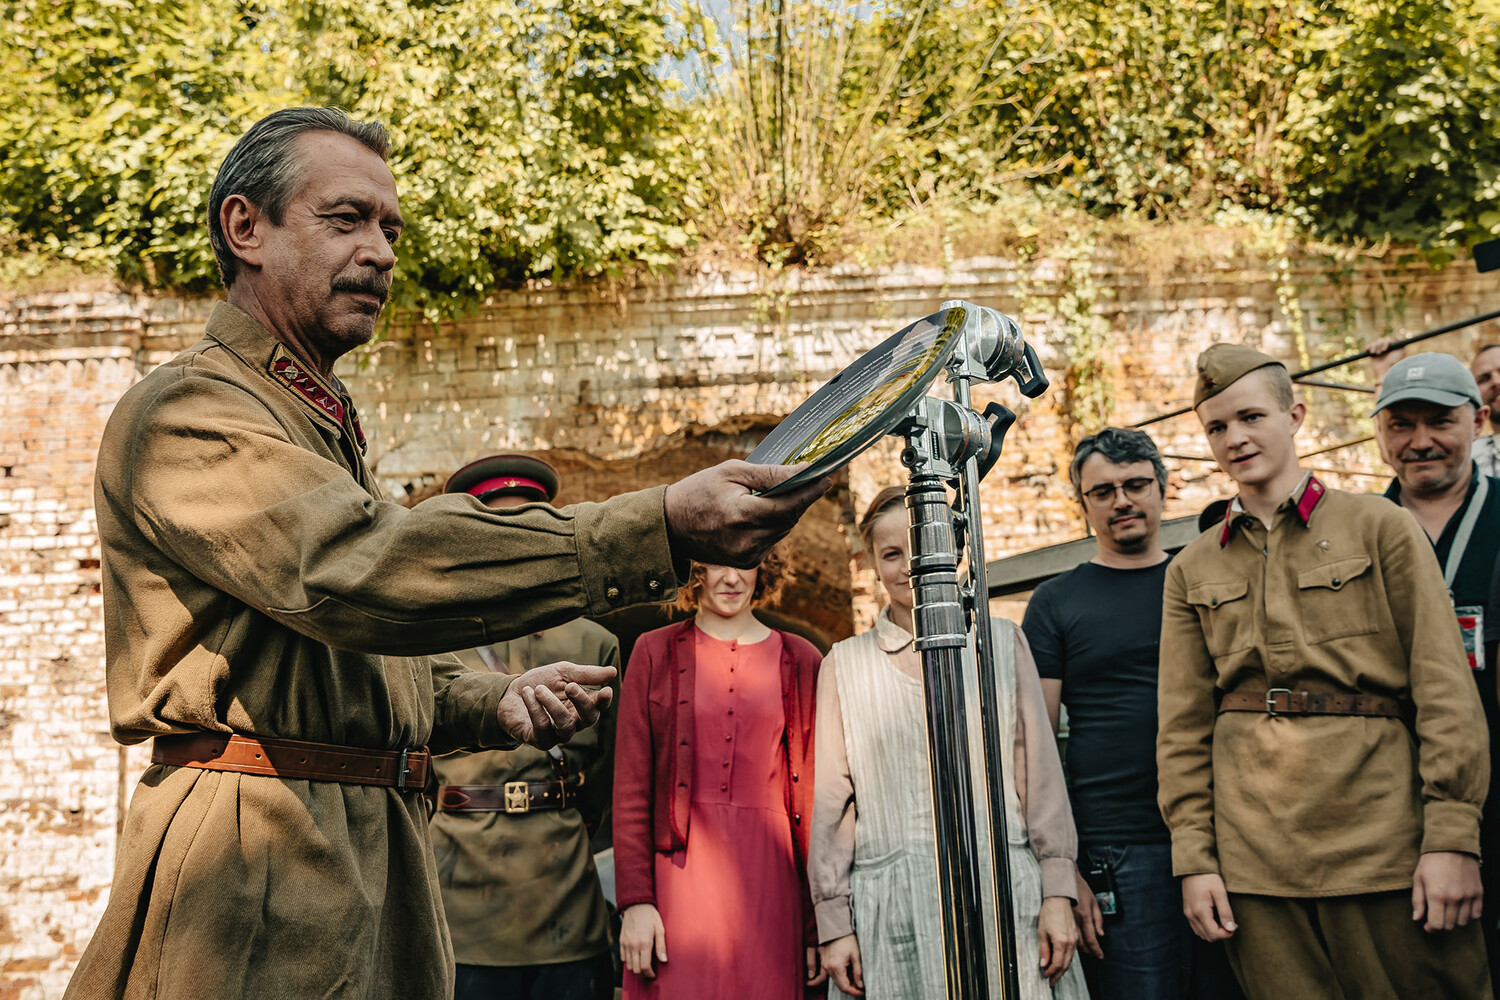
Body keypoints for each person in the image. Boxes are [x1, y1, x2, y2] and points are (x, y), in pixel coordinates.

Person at [68, 107, 827, 1000]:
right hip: (258, 857)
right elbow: (358, 572)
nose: (383, 251)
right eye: (346, 219)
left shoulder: (312, 420)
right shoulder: (190, 411)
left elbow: (345, 658)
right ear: (246, 229)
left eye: (390, 228)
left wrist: (491, 701)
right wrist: (655, 525)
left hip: (363, 846)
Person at [1158, 342, 1492, 999]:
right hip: (1256, 865)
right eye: (1217, 427)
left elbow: (1443, 688)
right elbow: (1181, 730)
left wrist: (1453, 838)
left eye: (1251, 417)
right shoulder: (1192, 568)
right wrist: (1195, 860)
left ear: (1296, 416)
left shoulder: (1380, 526)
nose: (1235, 438)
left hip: (1386, 847)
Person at [812, 487, 1087, 1000]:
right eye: (891, 554)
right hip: (893, 909)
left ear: (952, 549)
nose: (908, 567)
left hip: (1006, 890)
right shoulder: (843, 666)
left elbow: (1041, 779)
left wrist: (1057, 891)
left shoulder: (1001, 644)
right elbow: (833, 805)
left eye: (920, 549)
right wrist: (835, 922)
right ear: (871, 563)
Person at [1024, 429, 1239, 1000]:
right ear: (1084, 503)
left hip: (1231, 829)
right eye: (1103, 491)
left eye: (1136, 484)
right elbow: (1037, 747)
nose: (1122, 500)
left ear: (1162, 489)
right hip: (1118, 846)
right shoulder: (1056, 602)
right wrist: (1063, 869)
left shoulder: (1207, 581)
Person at [430, 454, 624, 1000]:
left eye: (528, 527)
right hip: (459, 895)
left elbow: (606, 778)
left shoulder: (593, 644)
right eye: (497, 527)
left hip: (563, 891)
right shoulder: (428, 639)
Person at [613, 546, 823, 999]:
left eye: (744, 562)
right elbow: (631, 788)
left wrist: (815, 926)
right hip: (677, 884)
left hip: (772, 886)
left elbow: (817, 802)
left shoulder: (802, 659)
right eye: (715, 564)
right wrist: (635, 902)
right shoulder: (653, 653)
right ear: (694, 571)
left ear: (764, 566)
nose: (731, 578)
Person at [1372, 354, 1500, 985]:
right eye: (1401, 424)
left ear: (1477, 420)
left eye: (1439, 422)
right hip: (1394, 794)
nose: (1419, 441)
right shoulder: (1357, 532)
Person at [1369, 338, 1500, 477]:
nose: (1496, 381)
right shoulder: (1468, 449)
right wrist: (1383, 373)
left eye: (1440, 422)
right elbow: (1391, 448)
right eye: (1484, 378)